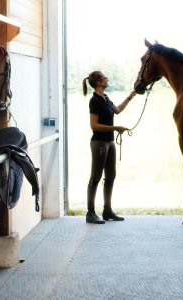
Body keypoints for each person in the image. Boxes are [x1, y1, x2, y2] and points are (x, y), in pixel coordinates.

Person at [82, 71, 136, 224]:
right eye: (105, 78)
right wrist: (115, 128)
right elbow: (94, 125)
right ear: (99, 82)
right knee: (96, 177)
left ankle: (107, 210)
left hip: (110, 142)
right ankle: (90, 213)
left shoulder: (106, 98)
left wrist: (130, 97)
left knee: (110, 176)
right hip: (99, 141)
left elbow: (117, 110)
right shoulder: (94, 101)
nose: (107, 80)